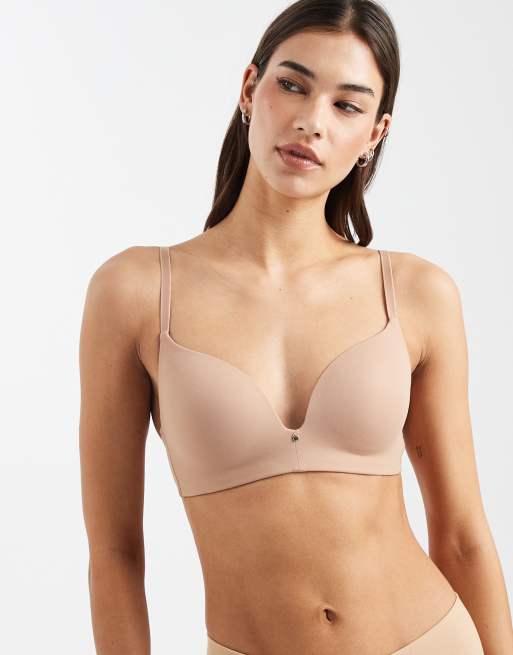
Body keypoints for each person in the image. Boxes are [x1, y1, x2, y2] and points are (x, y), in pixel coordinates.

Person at [79, 1, 513, 653]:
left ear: (375, 133)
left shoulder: (417, 294)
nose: (312, 120)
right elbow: (114, 553)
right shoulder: (136, 292)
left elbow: (461, 536)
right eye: (292, 84)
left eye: (347, 105)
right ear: (249, 89)